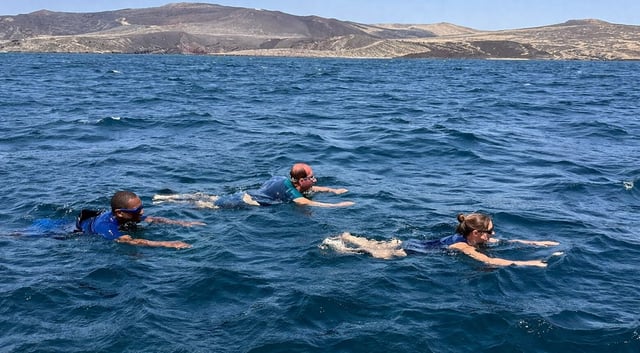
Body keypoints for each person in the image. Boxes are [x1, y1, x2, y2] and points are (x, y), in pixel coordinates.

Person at [321, 213, 561, 267]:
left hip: (415, 244)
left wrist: (537, 244)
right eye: (489, 231)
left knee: (375, 244)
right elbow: (492, 261)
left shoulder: (470, 237)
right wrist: (529, 263)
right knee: (369, 253)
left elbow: (507, 242)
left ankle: (349, 236)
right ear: (476, 233)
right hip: (409, 252)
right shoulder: (461, 245)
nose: (493, 234)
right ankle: (340, 244)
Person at [153, 163, 355, 208]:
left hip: (247, 193)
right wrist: (338, 205)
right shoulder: (293, 192)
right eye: (312, 177)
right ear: (301, 180)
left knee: (209, 197)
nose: (315, 179)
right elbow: (308, 202)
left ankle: (167, 197)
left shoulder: (284, 180)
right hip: (245, 202)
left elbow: (312, 190)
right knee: (207, 206)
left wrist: (333, 190)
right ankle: (171, 202)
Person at [76, 190, 205, 249]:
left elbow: (153, 219)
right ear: (120, 213)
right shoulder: (107, 227)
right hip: (80, 232)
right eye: (137, 211)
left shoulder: (127, 215)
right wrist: (167, 244)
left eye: (142, 207)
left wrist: (184, 223)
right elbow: (133, 241)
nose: (142, 212)